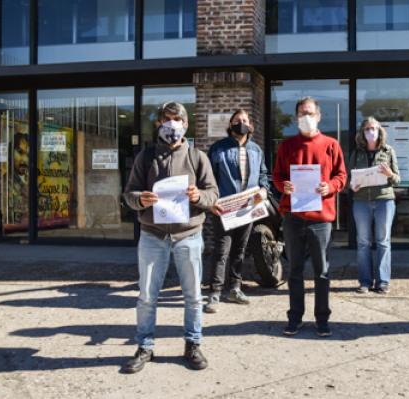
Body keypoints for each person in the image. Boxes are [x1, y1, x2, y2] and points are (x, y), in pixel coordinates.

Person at [122, 101, 219, 373]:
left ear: (186, 124)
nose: (172, 124)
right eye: (166, 118)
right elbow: (128, 194)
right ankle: (144, 346)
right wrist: (140, 199)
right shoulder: (146, 157)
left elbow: (213, 194)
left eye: (177, 119)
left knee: (193, 296)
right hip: (153, 235)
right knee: (147, 296)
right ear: (158, 124)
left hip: (188, 235)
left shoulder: (198, 157)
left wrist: (199, 196)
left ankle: (193, 343)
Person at [273, 96, 347, 337]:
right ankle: (295, 318)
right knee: (294, 270)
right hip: (294, 217)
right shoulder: (286, 146)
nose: (306, 117)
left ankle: (322, 319)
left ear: (319, 116)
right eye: (302, 114)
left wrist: (331, 187)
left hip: (320, 218)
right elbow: (277, 176)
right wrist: (283, 186)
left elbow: (341, 176)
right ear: (296, 118)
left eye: (310, 113)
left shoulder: (331, 144)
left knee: (322, 271)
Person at [204, 109, 269, 313]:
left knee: (240, 250)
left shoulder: (256, 150)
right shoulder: (218, 148)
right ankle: (214, 292)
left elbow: (263, 175)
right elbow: (208, 179)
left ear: (250, 125)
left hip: (248, 208)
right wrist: (212, 201)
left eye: (244, 120)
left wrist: (264, 190)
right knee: (221, 250)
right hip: (224, 207)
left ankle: (235, 288)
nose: (241, 123)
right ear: (230, 124)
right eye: (237, 120)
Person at [347, 117, 400, 294]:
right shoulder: (357, 153)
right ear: (362, 132)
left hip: (384, 200)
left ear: (380, 131)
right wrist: (352, 185)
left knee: (383, 241)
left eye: (374, 128)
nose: (371, 132)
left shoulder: (388, 150)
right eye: (367, 129)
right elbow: (349, 178)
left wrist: (390, 173)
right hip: (361, 201)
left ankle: (383, 282)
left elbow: (397, 180)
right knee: (363, 242)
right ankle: (365, 281)